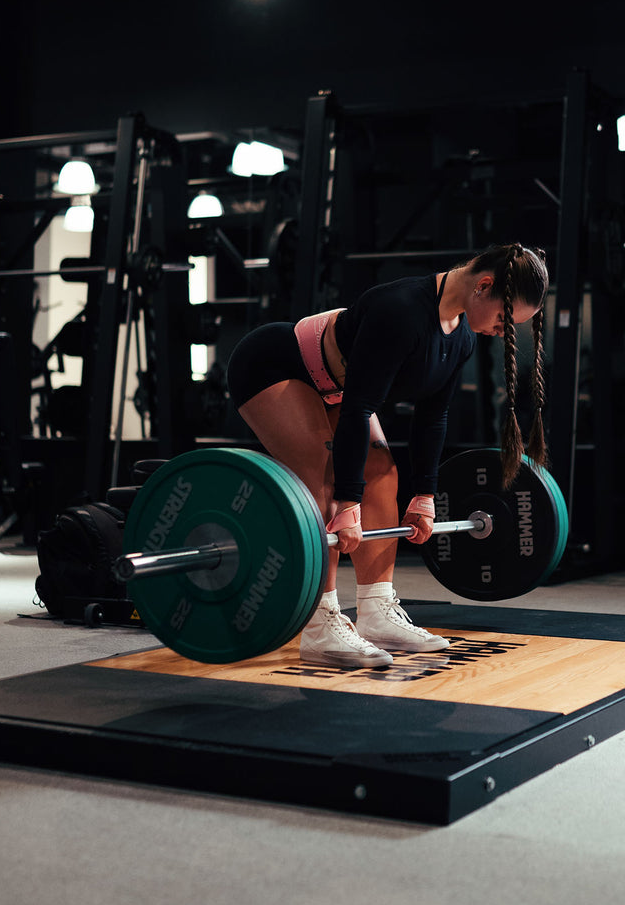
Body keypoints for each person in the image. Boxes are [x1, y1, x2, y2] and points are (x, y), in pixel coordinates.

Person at [226, 242, 549, 668]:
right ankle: (320, 623)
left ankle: (377, 611)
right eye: (504, 320)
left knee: (382, 471)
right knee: (322, 478)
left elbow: (433, 418)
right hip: (274, 365)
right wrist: (347, 503)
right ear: (483, 285)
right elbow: (359, 408)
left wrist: (425, 497)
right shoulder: (401, 310)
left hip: (335, 384)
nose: (501, 332)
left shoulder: (462, 339)